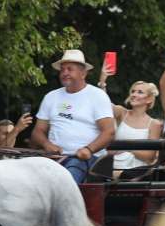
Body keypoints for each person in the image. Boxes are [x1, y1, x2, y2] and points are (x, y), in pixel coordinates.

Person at [31, 50, 116, 183]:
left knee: (67, 181)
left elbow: (109, 132)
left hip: (87, 160)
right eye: (62, 70)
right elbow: (37, 132)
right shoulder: (50, 97)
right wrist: (46, 144)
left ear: (83, 73)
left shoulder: (97, 96)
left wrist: (88, 149)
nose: (65, 73)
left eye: (70, 69)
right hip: (54, 158)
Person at [97, 66, 162, 174]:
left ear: (149, 99)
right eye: (133, 91)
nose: (134, 95)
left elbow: (149, 157)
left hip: (136, 173)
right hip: (113, 167)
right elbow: (103, 105)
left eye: (140, 92)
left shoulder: (154, 124)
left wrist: (126, 147)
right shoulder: (121, 113)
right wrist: (103, 81)